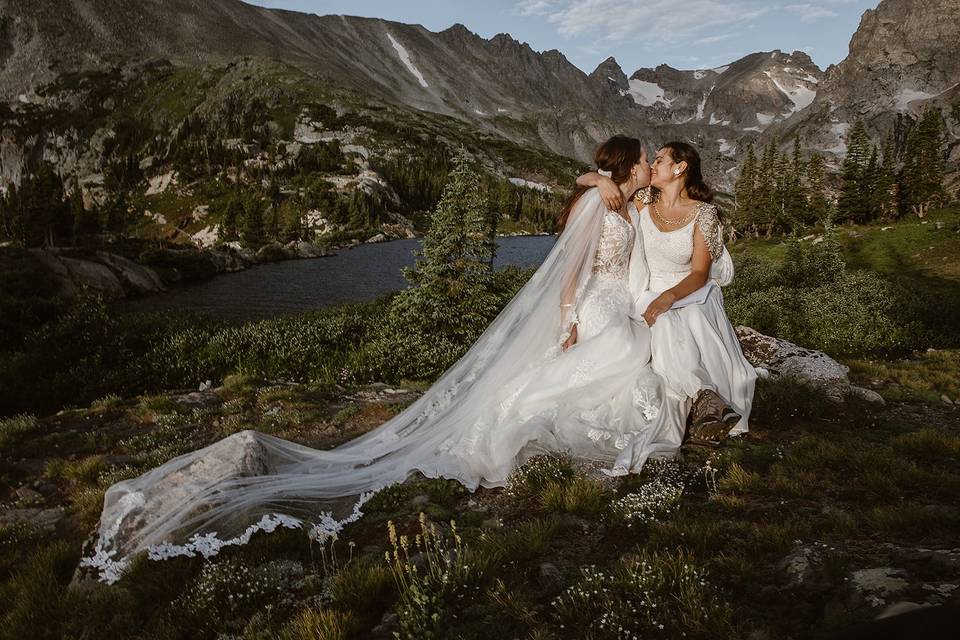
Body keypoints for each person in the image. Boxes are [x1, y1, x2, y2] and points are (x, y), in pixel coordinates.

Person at [80, 136, 672, 584]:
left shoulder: (625, 198)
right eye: (642, 158)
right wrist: (568, 318)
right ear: (623, 165)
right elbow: (569, 269)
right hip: (592, 304)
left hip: (616, 299)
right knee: (616, 353)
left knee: (625, 351)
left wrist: (618, 187)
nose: (649, 164)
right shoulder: (598, 202)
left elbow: (663, 204)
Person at [578, 141, 758, 447]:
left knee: (667, 317)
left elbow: (700, 274)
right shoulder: (643, 200)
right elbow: (583, 181)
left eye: (659, 160)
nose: (652, 165)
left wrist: (669, 297)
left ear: (679, 168)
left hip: (690, 291)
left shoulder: (705, 214)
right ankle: (703, 395)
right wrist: (600, 179)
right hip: (650, 289)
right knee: (661, 320)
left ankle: (703, 395)